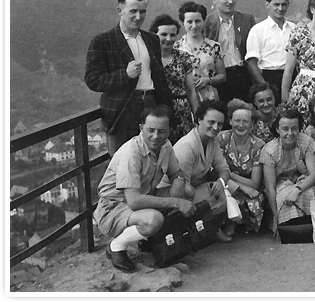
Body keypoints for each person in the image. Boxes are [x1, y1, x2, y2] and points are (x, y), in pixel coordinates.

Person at [93, 105, 194, 272]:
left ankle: (156, 240)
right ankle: (116, 246)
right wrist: (175, 202)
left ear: (168, 131)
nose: (156, 136)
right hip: (114, 207)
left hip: (143, 196)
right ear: (141, 128)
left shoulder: (166, 146)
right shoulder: (131, 153)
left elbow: (177, 172)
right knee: (154, 219)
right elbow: (134, 201)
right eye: (151, 130)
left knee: (187, 191)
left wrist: (178, 180)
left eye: (161, 131)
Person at [85, 0, 172, 155]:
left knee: (153, 160)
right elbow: (92, 79)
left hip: (152, 106)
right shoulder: (102, 41)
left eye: (143, 11)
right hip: (122, 110)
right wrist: (124, 75)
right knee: (122, 163)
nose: (138, 17)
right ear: (120, 10)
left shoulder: (152, 39)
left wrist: (166, 108)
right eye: (133, 11)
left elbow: (159, 77)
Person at [172, 100, 234, 243]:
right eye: (211, 122)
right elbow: (181, 188)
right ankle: (199, 231)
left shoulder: (212, 140)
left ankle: (209, 228)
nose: (215, 127)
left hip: (194, 186)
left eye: (219, 124)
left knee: (227, 188)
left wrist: (221, 181)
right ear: (199, 120)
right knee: (222, 196)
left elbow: (224, 169)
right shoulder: (187, 146)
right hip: (177, 193)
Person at [260, 107, 315, 235]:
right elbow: (270, 187)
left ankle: (308, 230)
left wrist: (297, 189)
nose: (290, 133)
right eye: (285, 129)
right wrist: (276, 218)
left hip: (300, 181)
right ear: (277, 129)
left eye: (294, 128)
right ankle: (286, 229)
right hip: (278, 185)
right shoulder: (270, 150)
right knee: (284, 199)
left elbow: (314, 174)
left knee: (309, 192)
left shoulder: (306, 141)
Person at [149, 14, 199, 145]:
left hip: (182, 113)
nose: (168, 39)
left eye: (172, 35)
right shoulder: (149, 57)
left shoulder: (183, 57)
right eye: (163, 34)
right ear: (155, 35)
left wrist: (198, 115)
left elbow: (190, 90)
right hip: (157, 112)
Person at [218, 99, 266, 233]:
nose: (240, 125)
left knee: (253, 201)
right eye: (237, 120)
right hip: (225, 184)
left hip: (249, 186)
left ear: (252, 125)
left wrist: (230, 174)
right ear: (230, 121)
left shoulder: (258, 145)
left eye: (245, 121)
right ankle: (225, 226)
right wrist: (240, 186)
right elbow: (216, 171)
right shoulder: (221, 138)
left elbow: (255, 183)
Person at [204, 0, 256, 103]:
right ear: (214, 0)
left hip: (244, 74)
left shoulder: (247, 20)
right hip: (220, 76)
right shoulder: (208, 23)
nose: (230, 2)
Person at [245, 0, 296, 102]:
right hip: (269, 77)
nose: (280, 8)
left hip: (292, 77)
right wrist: (265, 87)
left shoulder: (295, 29)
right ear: (267, 4)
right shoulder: (257, 30)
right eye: (276, 4)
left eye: (284, 4)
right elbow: (251, 63)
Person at [173, 1, 227, 103]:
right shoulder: (176, 47)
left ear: (203, 21)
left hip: (209, 98)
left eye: (197, 21)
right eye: (189, 22)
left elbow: (222, 76)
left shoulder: (214, 47)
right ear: (183, 22)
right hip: (184, 99)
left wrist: (208, 80)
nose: (194, 26)